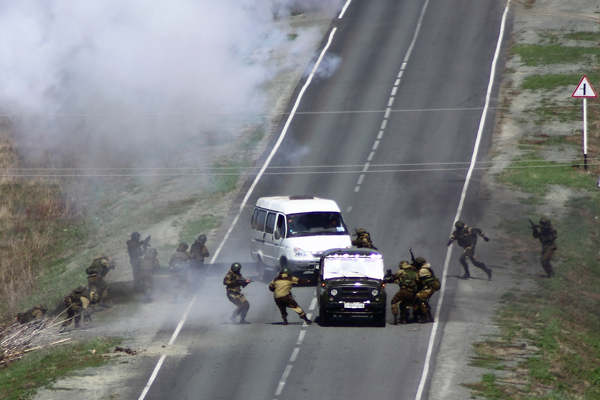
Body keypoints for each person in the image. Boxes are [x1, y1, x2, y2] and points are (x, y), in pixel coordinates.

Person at [386, 260, 419, 325]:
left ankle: (396, 318)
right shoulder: (414, 272)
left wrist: (388, 279)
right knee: (404, 303)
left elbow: (394, 277)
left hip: (404, 291)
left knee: (394, 302)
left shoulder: (401, 271)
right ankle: (406, 318)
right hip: (413, 291)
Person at [413, 257, 440, 323]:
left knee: (420, 298)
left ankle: (424, 316)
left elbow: (417, 279)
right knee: (417, 296)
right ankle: (428, 316)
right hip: (429, 287)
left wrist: (414, 271)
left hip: (429, 287)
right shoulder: (425, 268)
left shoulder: (422, 270)